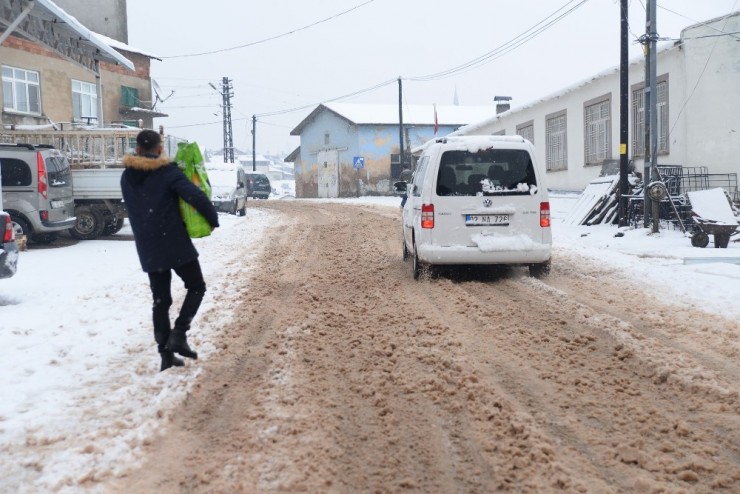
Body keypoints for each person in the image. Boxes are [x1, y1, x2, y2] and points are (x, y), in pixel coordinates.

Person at [121, 130, 220, 372]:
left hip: (148, 246)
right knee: (196, 286)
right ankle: (179, 332)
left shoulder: (126, 176)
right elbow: (194, 194)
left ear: (137, 149)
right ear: (159, 148)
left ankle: (165, 355)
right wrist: (212, 218)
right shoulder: (167, 172)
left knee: (160, 300)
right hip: (173, 240)